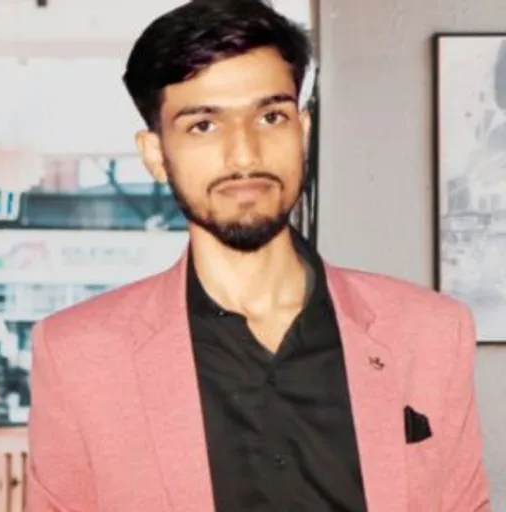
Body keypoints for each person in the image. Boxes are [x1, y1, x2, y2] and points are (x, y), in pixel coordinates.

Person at [26, 1, 490, 511]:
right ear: (156, 154)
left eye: (271, 117)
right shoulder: (77, 356)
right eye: (204, 125)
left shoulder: (429, 332)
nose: (245, 154)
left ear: (302, 132)